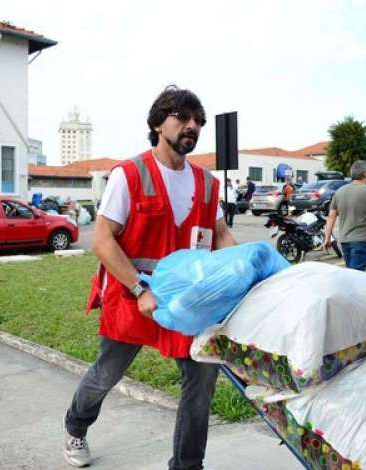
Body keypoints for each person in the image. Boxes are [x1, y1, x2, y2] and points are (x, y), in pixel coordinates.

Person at [63, 86, 236, 469]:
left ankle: (187, 465)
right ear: (158, 123)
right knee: (107, 373)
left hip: (188, 302)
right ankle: (76, 425)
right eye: (182, 117)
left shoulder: (207, 183)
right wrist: (139, 288)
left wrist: (240, 270)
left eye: (198, 122)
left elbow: (221, 235)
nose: (192, 126)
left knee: (202, 381)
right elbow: (103, 241)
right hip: (133, 297)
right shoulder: (129, 175)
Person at [323, 160, 366, 271]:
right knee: (355, 277)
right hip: (362, 241)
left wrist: (327, 238)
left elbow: (331, 217)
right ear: (364, 174)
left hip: (345, 242)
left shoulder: (339, 192)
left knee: (351, 275)